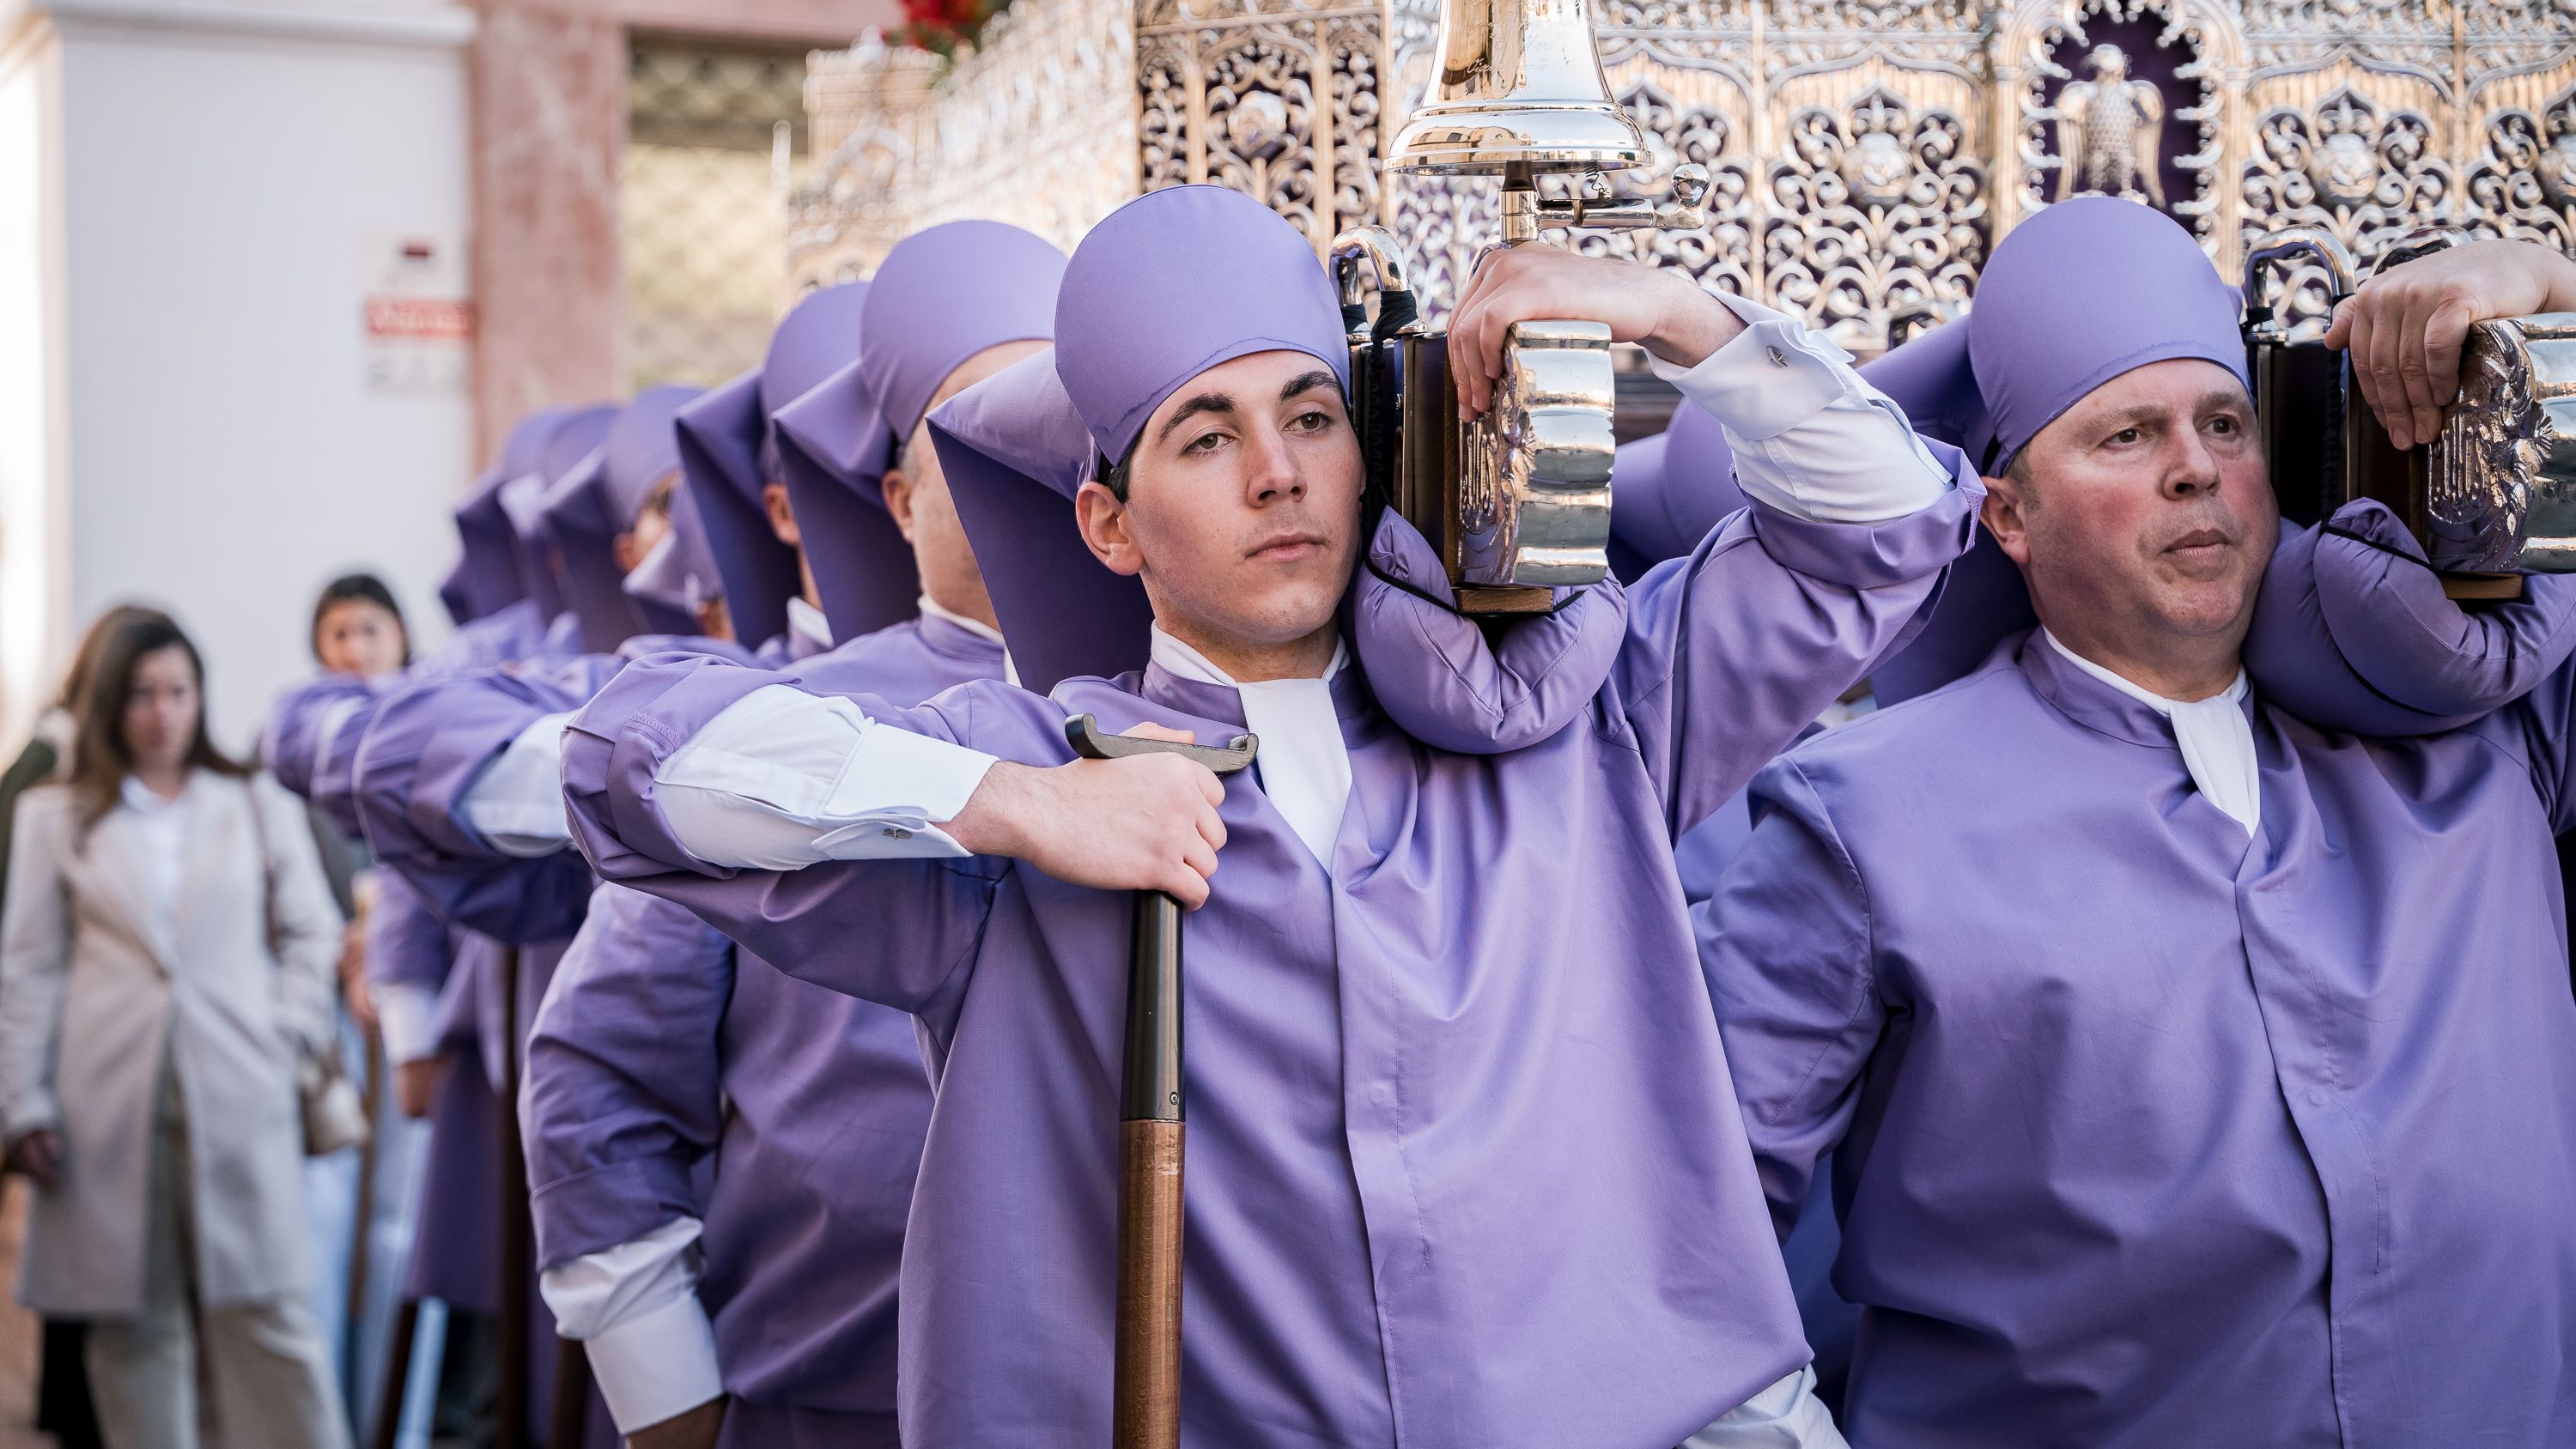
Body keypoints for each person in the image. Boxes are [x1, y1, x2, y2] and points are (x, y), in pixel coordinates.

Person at [556, 184, 1978, 1448]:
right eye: (1205, 436)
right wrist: (1018, 804)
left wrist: (1675, 315)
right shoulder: (1034, 768)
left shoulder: (1583, 722)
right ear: (1108, 525)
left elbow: (1889, 526)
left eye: (1309, 416)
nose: (1277, 472)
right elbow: (625, 759)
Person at [1698, 197, 2576, 1446]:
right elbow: (1679, 1224)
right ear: (2008, 516)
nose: (2194, 467)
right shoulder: (1865, 821)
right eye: (2126, 435)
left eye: (2226, 423)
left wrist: (2544, 285)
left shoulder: (2490, 743)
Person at [471, 220, 1063, 1449]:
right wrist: (672, 1402)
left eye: (1052, 412)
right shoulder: (783, 726)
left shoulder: (1183, 704)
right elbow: (598, 1078)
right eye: (977, 425)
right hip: (834, 1400)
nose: (1026, 454)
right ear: (897, 498)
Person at [0, 609, 351, 1449]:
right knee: (131, 1325)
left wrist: (285, 1031)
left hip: (238, 1081)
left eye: (178, 691)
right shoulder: (57, 816)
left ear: (201, 696)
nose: (162, 712)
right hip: (105, 1097)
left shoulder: (250, 800)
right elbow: (29, 967)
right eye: (141, 694)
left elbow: (312, 929)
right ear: (107, 703)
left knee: (269, 1314)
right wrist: (25, 1102)